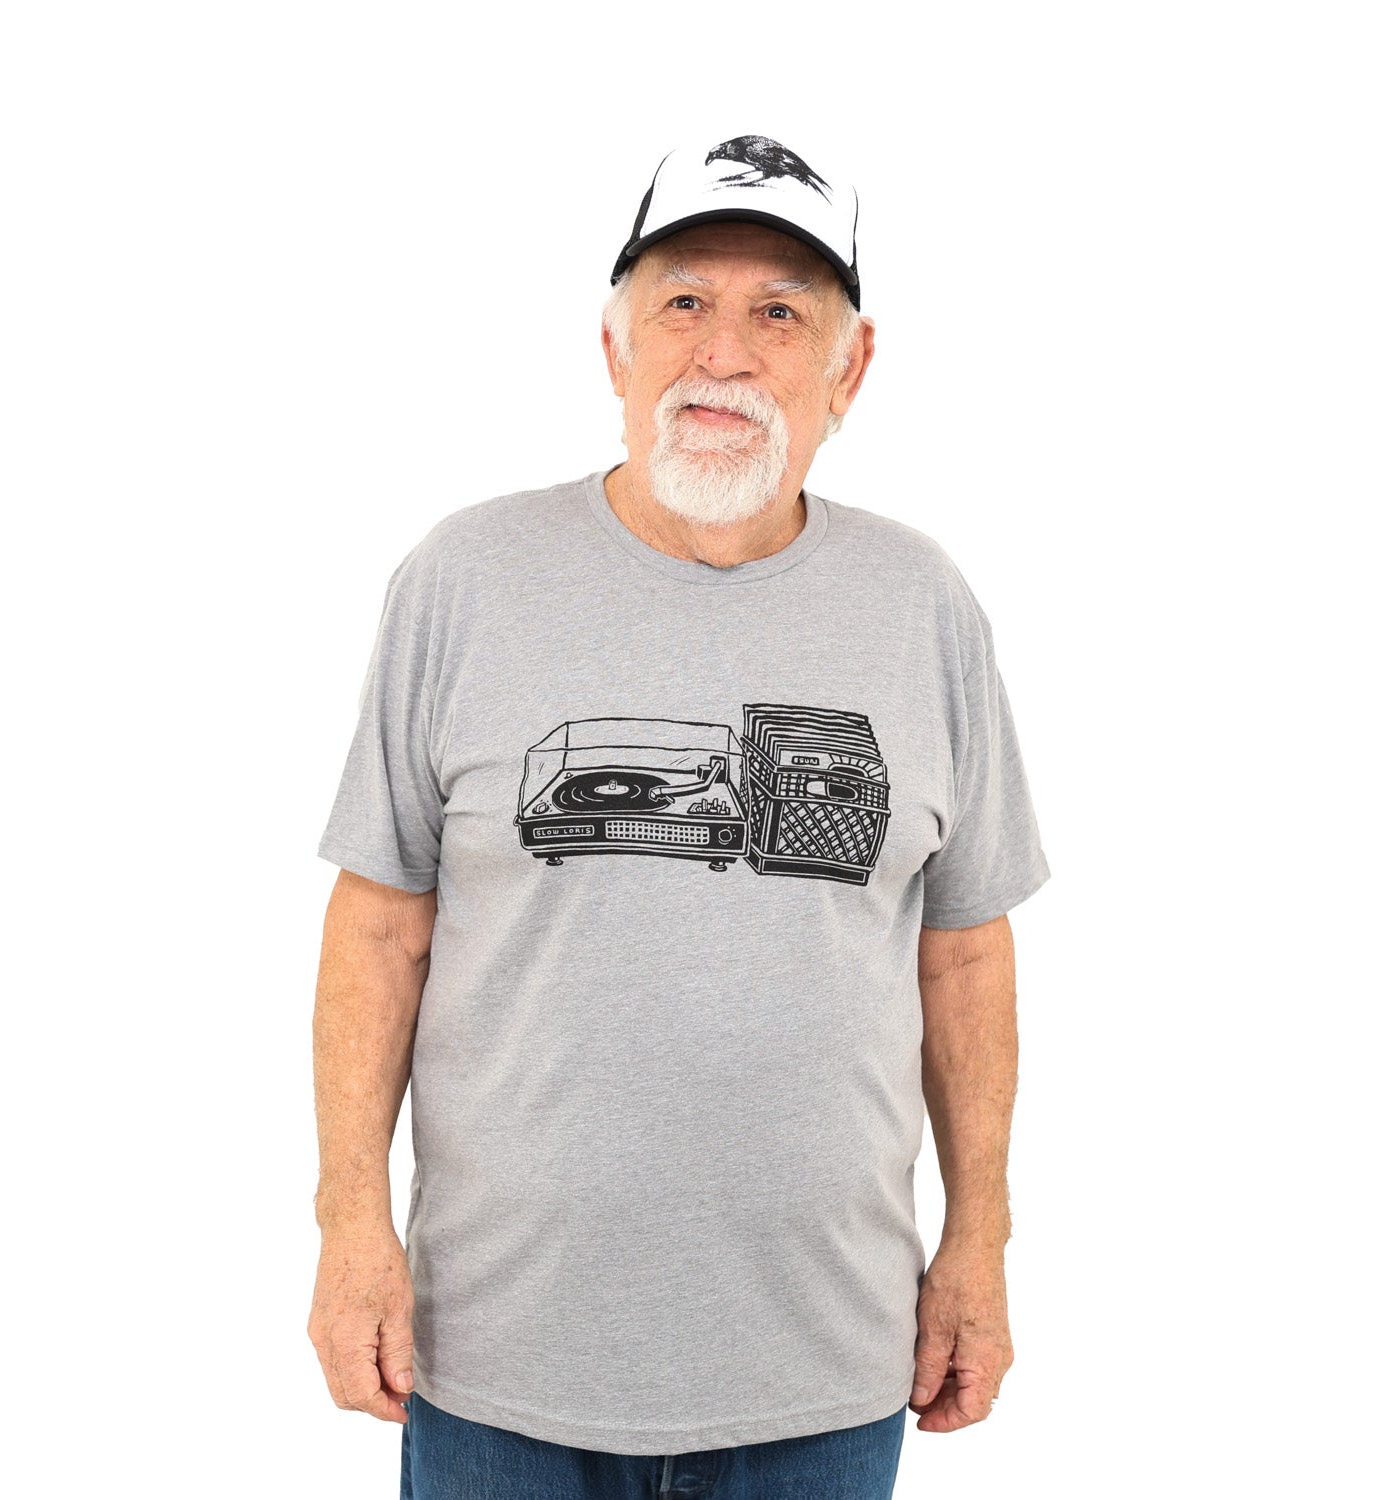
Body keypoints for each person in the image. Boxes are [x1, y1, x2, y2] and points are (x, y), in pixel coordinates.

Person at [308, 134, 1049, 1499]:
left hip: (826, 1367)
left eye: (780, 312)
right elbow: (377, 929)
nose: (726, 354)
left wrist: (980, 1244)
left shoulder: (922, 606)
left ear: (850, 370)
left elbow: (963, 948)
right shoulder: (462, 580)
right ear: (613, 349)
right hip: (495, 1363)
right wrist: (350, 1218)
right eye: (684, 303)